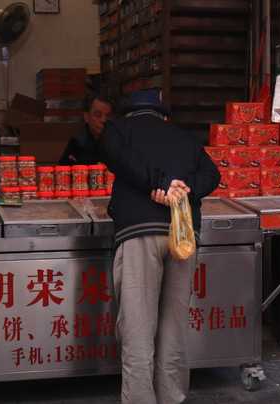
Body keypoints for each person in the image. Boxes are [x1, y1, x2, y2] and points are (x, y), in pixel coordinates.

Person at [99, 89, 220, 404]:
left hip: (140, 233)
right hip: (182, 236)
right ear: (164, 115)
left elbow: (123, 161)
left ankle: (140, 399)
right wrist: (184, 189)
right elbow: (213, 174)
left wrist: (161, 184)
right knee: (174, 324)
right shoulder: (184, 137)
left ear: (128, 113)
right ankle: (172, 396)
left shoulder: (117, 130)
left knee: (138, 326)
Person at [58, 92, 114, 165]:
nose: (104, 120)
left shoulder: (119, 141)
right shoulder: (77, 143)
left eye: (108, 115)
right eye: (98, 115)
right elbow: (64, 171)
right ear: (86, 117)